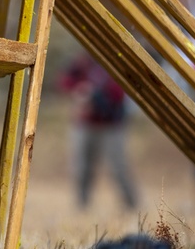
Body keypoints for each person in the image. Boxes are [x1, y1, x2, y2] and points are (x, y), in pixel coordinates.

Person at [57, 53, 140, 211]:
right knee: (82, 167)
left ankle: (131, 205)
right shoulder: (81, 62)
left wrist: (94, 96)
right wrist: (79, 91)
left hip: (111, 124)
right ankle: (82, 205)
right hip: (85, 124)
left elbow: (120, 92)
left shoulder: (116, 62)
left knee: (118, 167)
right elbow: (63, 81)